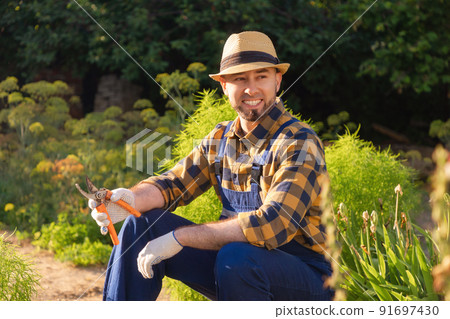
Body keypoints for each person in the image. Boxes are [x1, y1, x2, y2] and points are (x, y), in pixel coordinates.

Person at [89, 31, 333, 301]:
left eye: (261, 76)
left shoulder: (299, 142)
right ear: (224, 86)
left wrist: (180, 238)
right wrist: (128, 199)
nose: (251, 89)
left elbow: (274, 223)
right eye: (240, 79)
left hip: (307, 279)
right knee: (140, 226)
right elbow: (173, 185)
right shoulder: (220, 139)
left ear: (277, 80)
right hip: (234, 268)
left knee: (236, 255)